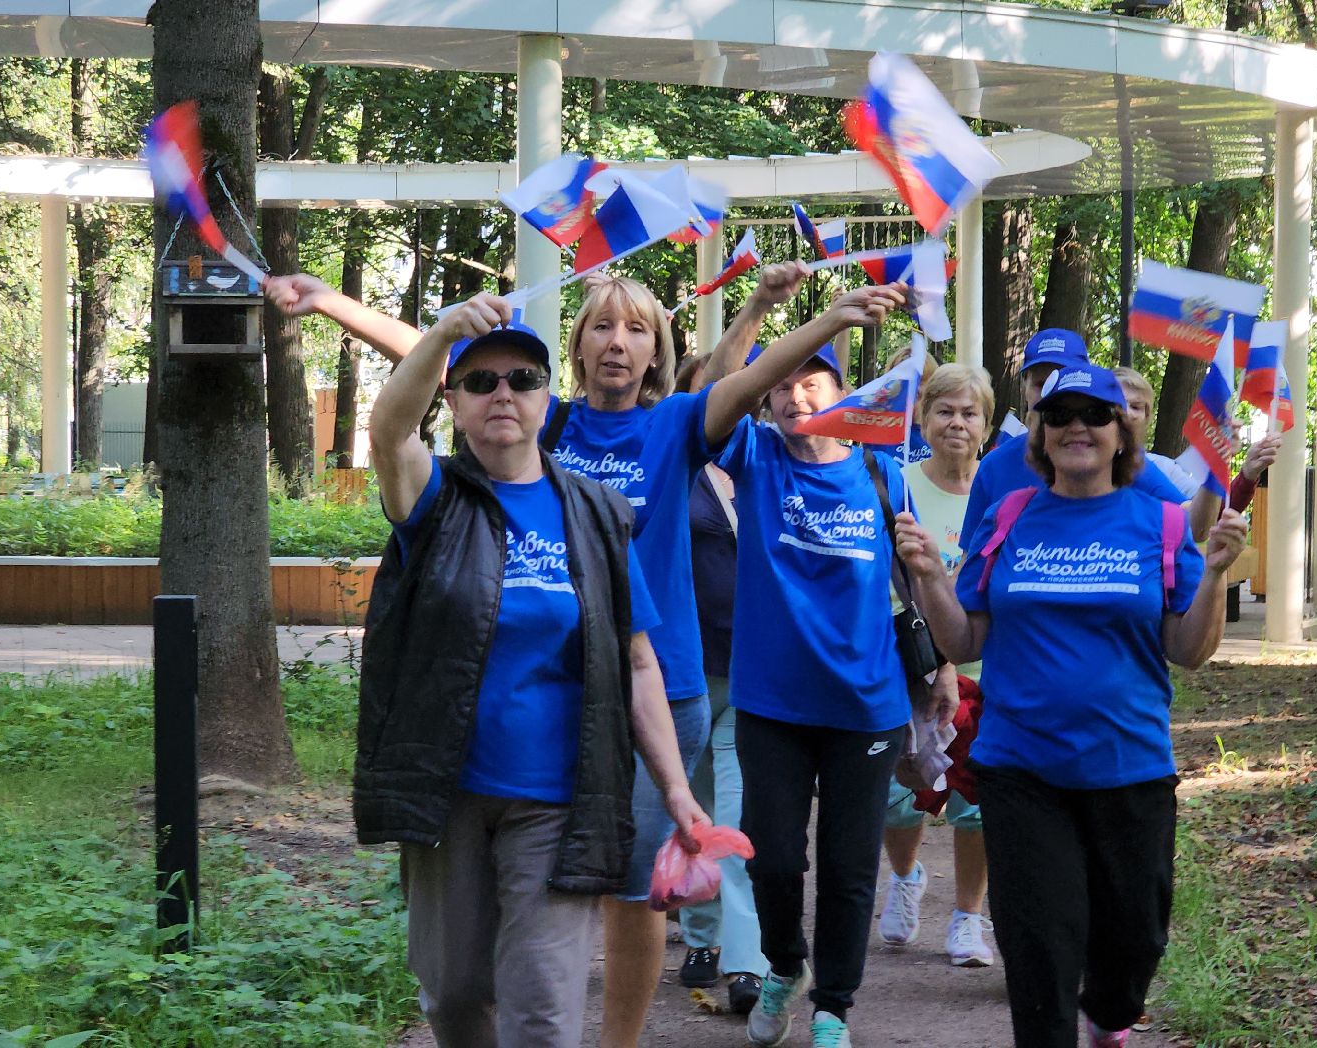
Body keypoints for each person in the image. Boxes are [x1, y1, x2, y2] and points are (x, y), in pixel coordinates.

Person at [266, 266, 902, 1048]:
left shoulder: (675, 424)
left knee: (629, 892)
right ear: (573, 347)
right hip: (553, 699)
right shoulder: (543, 419)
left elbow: (757, 375)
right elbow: (448, 362)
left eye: (637, 329)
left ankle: (617, 1041)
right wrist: (327, 302)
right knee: (512, 926)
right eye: (601, 325)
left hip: (654, 686)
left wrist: (823, 318)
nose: (618, 342)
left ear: (657, 352)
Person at [342, 292, 710, 1048]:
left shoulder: (599, 514)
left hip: (559, 799)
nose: (501, 393)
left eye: (520, 380)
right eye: (480, 382)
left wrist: (675, 789)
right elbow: (387, 428)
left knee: (542, 1008)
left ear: (548, 396)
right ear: (455, 399)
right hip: (449, 792)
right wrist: (445, 332)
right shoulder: (434, 497)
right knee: (454, 994)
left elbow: (639, 663)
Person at [894, 360, 1249, 1048]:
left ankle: (1110, 1020)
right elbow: (965, 634)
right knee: (1040, 951)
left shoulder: (1161, 521)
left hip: (1131, 767)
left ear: (1122, 433)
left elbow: (1189, 650)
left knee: (1134, 941)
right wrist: (932, 577)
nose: (1076, 426)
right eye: (1059, 415)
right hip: (1022, 769)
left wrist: (1214, 577)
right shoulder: (1010, 516)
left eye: (1094, 414)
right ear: (1040, 434)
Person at [718, 324, 957, 1048]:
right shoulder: (754, 455)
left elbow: (915, 578)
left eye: (812, 381)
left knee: (850, 868)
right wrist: (759, 311)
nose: (796, 394)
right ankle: (785, 965)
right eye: (783, 383)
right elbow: (715, 399)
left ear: (840, 392)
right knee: (777, 859)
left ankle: (833, 1008)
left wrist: (944, 660)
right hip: (772, 703)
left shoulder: (881, 471)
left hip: (867, 704)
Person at [877, 362, 995, 967]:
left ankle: (969, 919)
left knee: (976, 797)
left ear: (985, 425)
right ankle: (904, 880)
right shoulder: (895, 485)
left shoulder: (999, 490)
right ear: (922, 419)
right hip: (911, 665)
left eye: (968, 412)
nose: (956, 422)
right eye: (944, 410)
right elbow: (886, 583)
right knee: (902, 793)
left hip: (985, 668)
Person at [672, 354, 767, 1016]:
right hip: (689, 674)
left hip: (758, 674)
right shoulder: (675, 468)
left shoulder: (769, 464)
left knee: (735, 821)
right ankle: (701, 938)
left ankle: (746, 962)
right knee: (696, 818)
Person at [958, 330, 1187, 547]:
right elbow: (971, 562)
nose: (1051, 392)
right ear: (1025, 387)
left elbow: (1188, 520)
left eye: (1065, 380)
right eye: (1040, 384)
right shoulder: (995, 466)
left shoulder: (1117, 457)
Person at [1112, 366, 1280, 543]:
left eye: (1136, 407)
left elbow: (1205, 519)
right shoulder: (1083, 461)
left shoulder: (1154, 468)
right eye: (1119, 403)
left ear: (1146, 418)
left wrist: (1243, 472)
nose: (1127, 412)